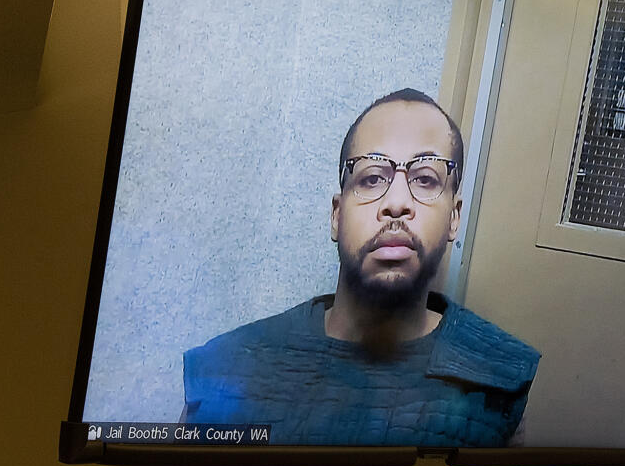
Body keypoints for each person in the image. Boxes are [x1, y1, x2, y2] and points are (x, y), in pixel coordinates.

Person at [181, 88, 539, 446]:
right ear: (337, 215)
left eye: (426, 179)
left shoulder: (501, 383)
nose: (397, 203)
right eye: (371, 178)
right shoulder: (227, 367)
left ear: (454, 218)